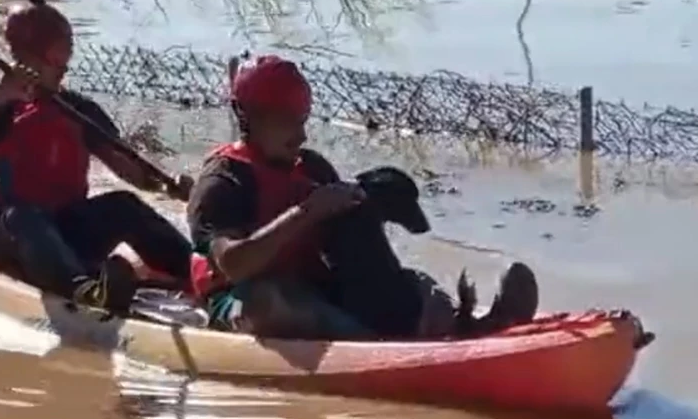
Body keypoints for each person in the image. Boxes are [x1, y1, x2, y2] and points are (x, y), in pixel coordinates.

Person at [187, 53, 539, 340]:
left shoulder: (310, 167)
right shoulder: (222, 182)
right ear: (250, 118)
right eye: (287, 122)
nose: (301, 135)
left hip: (310, 285)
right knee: (274, 302)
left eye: (302, 120)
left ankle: (447, 325)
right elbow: (233, 266)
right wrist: (306, 213)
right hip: (246, 297)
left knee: (362, 225)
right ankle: (385, 345)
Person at [0, 0, 193, 313]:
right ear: (27, 56)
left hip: (63, 228)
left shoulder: (76, 109)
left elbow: (130, 171)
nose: (65, 69)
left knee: (124, 204)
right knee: (25, 218)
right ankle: (85, 294)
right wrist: (1, 92)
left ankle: (204, 275)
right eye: (57, 60)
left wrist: (166, 185)